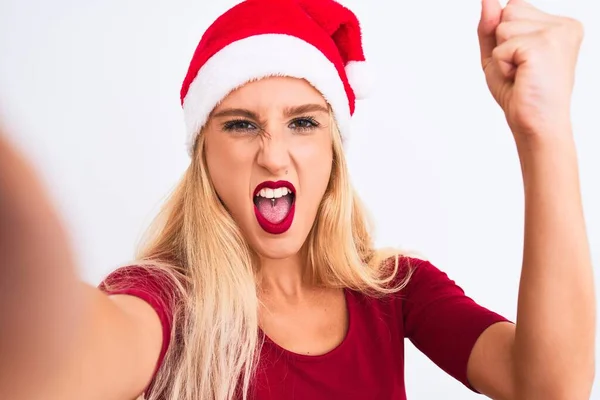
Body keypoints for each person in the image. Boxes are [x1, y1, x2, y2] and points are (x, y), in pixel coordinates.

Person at [0, 0, 595, 399]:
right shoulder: (164, 301)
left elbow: (551, 386)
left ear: (333, 149)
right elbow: (64, 362)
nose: (274, 155)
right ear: (203, 154)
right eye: (240, 125)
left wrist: (542, 131)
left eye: (303, 123)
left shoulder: (395, 291)